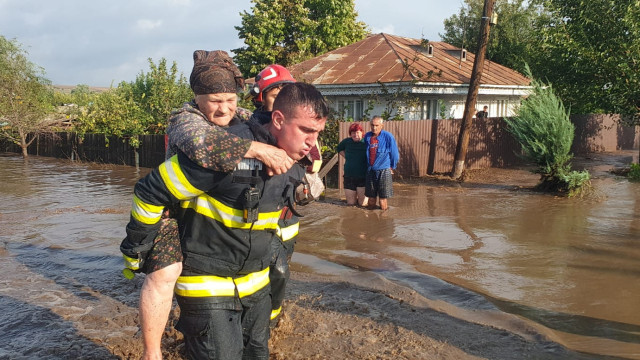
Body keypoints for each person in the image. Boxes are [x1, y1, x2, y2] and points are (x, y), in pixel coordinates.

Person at [121, 82, 329, 359]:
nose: (312, 143)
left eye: (317, 133)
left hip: (255, 284)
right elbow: (150, 191)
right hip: (207, 283)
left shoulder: (295, 157)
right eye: (307, 130)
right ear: (278, 119)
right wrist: (138, 248)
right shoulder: (224, 153)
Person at [249, 64, 322, 326]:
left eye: (285, 91)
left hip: (287, 216)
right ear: (261, 97)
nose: (280, 96)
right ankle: (263, 319)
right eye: (274, 92)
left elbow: (314, 162)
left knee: (281, 271)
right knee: (272, 271)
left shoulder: (302, 127)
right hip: (259, 215)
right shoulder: (249, 128)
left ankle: (272, 314)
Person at [364, 116, 399, 211]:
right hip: (370, 171)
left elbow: (395, 154)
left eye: (376, 125)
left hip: (384, 170)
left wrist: (392, 167)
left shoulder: (388, 136)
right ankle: (370, 220)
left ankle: (384, 221)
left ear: (382, 126)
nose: (374, 128)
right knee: (371, 199)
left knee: (383, 200)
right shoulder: (367, 136)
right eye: (372, 125)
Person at [337, 122, 368, 206]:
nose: (355, 134)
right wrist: (347, 156)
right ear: (350, 134)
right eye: (353, 133)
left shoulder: (366, 142)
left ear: (362, 132)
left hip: (363, 177)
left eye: (357, 132)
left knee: (363, 204)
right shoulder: (346, 142)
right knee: (351, 204)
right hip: (349, 176)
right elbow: (339, 148)